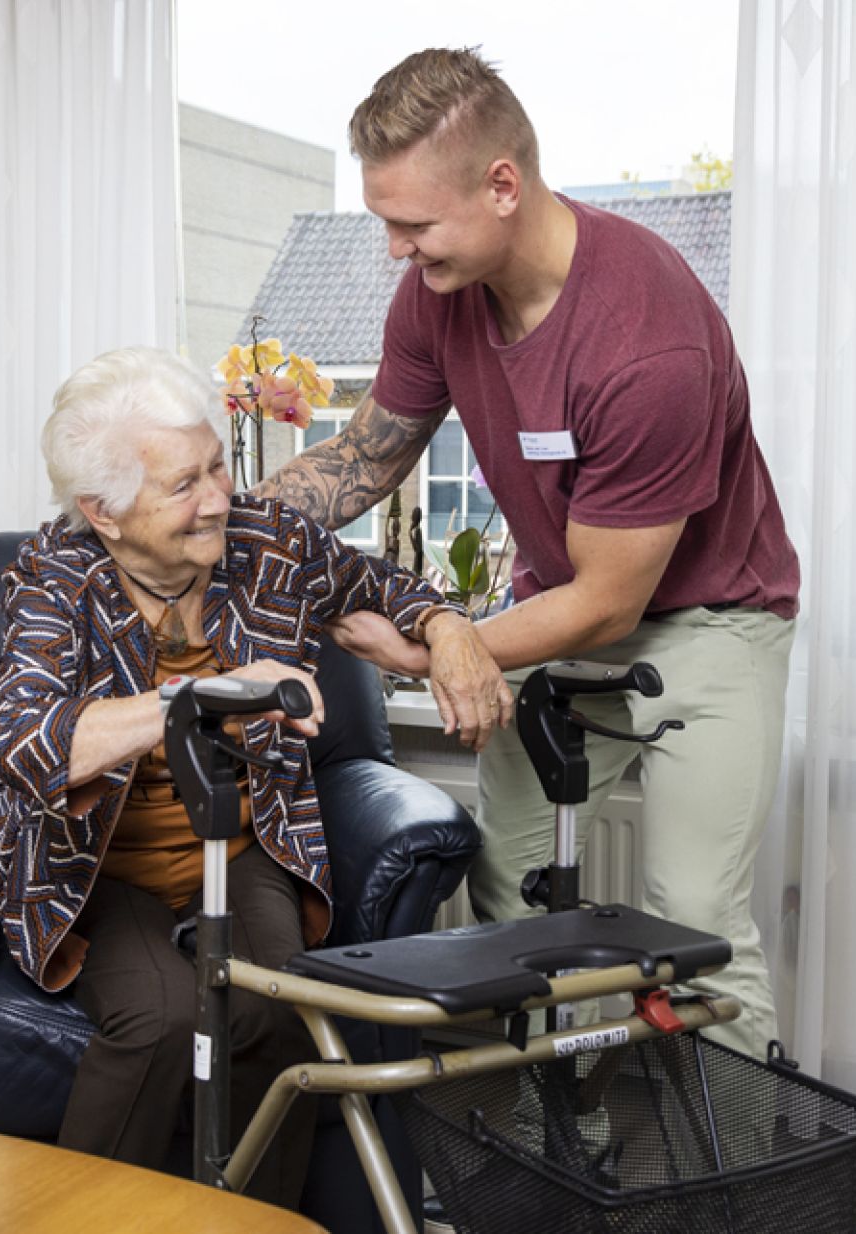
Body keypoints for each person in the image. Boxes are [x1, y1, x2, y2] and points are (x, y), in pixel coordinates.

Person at [258, 48, 799, 1057]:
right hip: (557, 599)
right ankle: (534, 1159)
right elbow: (367, 456)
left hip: (710, 621)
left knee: (695, 920)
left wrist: (447, 642)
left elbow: (608, 603)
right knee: (507, 893)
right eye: (386, 222)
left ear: (502, 184)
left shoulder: (648, 340)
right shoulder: (437, 291)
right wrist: (235, 522)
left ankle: (743, 1195)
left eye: (413, 224)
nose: (393, 249)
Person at [0, 346, 497, 1204]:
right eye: (183, 485)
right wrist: (219, 693)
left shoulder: (268, 542)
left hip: (245, 841)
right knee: (157, 1019)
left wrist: (448, 629)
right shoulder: (52, 576)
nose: (220, 498)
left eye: (217, 466)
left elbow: (389, 588)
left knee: (276, 1008)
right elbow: (28, 743)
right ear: (102, 513)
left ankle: (245, 1224)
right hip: (99, 867)